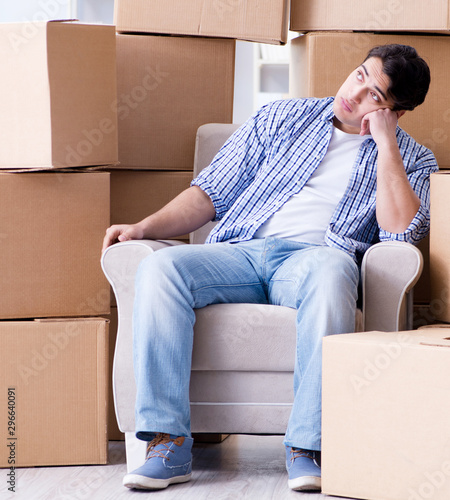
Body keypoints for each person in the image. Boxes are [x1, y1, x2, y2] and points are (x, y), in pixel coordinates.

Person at [102, 44, 437, 492]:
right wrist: (144, 226)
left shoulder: (414, 159)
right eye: (359, 75)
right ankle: (167, 443)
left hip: (313, 262)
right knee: (162, 268)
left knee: (334, 272)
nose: (354, 94)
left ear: (397, 111)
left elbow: (399, 233)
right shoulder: (280, 117)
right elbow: (209, 195)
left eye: (374, 95)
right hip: (241, 250)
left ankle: (307, 447)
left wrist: (386, 145)